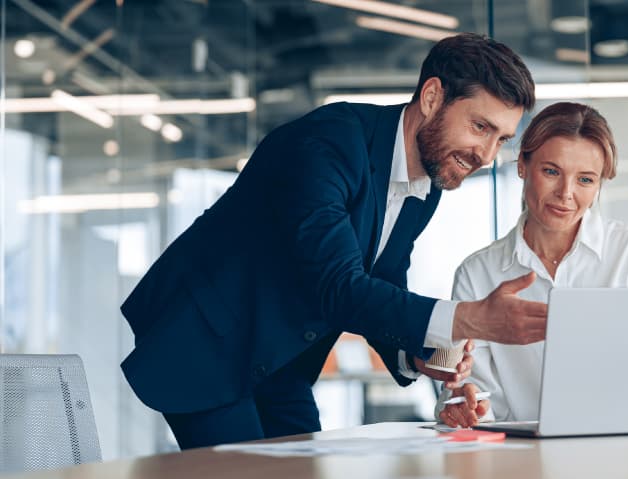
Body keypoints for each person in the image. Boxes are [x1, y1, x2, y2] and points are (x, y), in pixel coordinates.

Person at [120, 33, 548, 449]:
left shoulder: (427, 181)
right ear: (432, 97)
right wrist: (467, 318)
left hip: (280, 358)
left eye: (502, 139)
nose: (487, 155)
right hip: (207, 340)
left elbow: (382, 276)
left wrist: (417, 354)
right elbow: (337, 284)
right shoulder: (329, 142)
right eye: (480, 127)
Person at [437, 102, 628, 427]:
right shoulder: (478, 274)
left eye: (585, 180)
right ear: (523, 165)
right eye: (551, 172)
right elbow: (473, 393)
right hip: (522, 463)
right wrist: (466, 406)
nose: (566, 193)